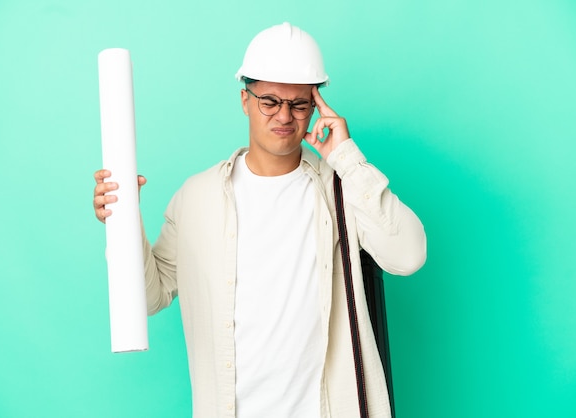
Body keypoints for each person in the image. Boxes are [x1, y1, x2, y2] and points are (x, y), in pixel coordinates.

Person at [93, 22, 426, 418]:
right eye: (269, 100)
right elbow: (150, 296)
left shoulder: (341, 187)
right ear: (245, 100)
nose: (284, 116)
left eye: (299, 104)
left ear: (315, 107)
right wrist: (122, 220)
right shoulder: (196, 197)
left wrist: (347, 157)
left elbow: (408, 256)